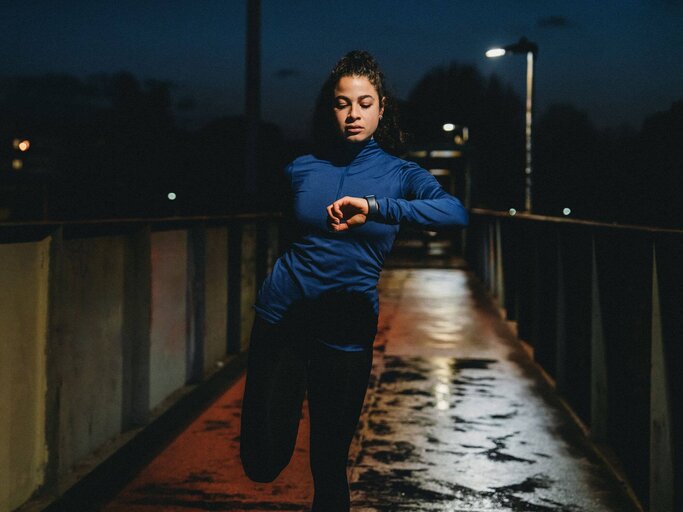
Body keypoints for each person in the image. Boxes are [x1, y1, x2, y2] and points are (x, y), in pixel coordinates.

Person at [240, 50, 468, 511]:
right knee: (262, 461)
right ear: (332, 108)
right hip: (283, 318)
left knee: (328, 464)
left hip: (346, 327)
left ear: (382, 108)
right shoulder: (302, 166)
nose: (353, 114)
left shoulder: (400, 174)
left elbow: (454, 212)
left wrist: (377, 207)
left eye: (364, 103)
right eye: (344, 104)